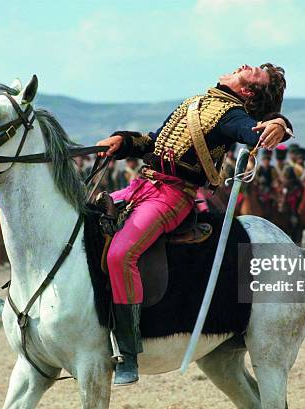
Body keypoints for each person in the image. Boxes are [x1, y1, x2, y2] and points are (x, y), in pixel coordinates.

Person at [96, 63, 291, 385]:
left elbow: (253, 132)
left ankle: (127, 353)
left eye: (256, 73)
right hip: (139, 187)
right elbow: (153, 141)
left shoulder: (232, 115)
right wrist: (123, 141)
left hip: (171, 197)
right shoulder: (196, 103)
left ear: (248, 91)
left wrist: (281, 124)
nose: (248, 66)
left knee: (121, 254)